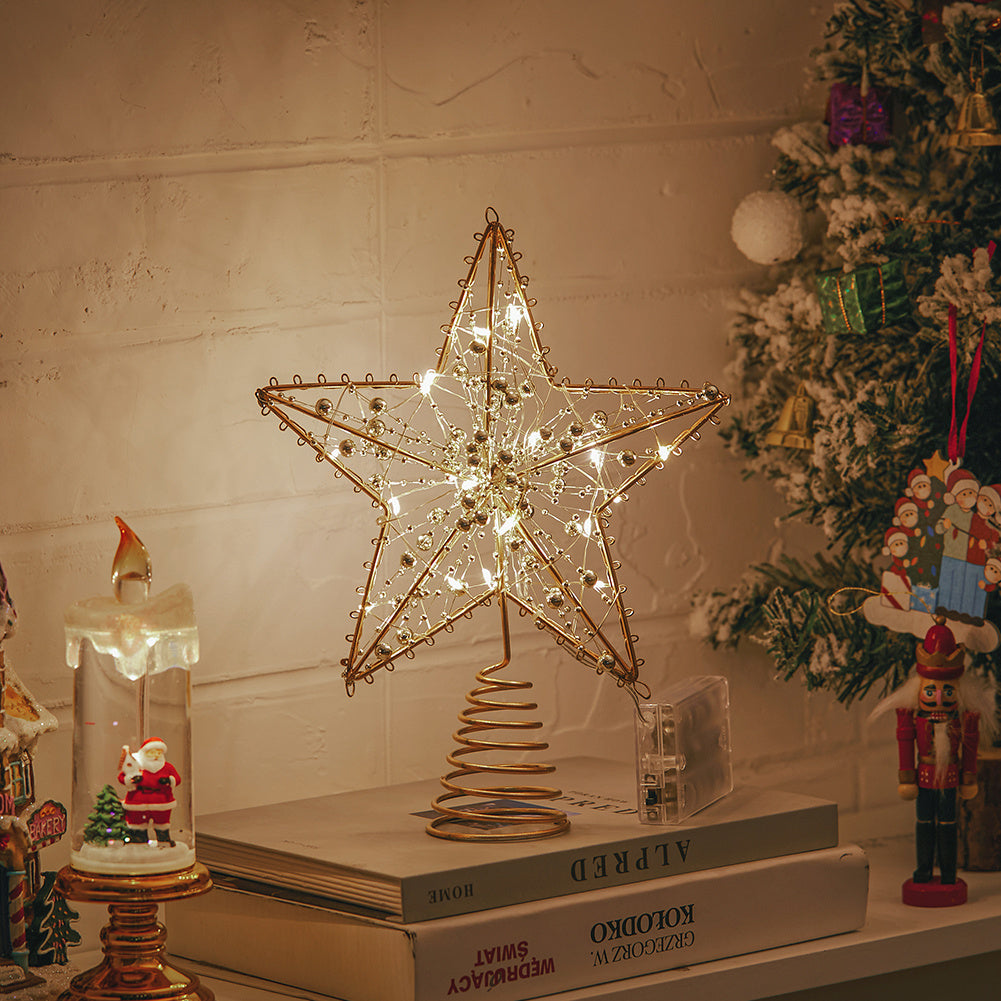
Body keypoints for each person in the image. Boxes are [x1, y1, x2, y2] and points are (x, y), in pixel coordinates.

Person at [870, 617, 996, 905]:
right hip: (924, 776)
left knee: (948, 824)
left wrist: (968, 777)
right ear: (919, 689)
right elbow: (905, 744)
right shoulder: (913, 719)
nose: (939, 697)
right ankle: (924, 871)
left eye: (947, 691)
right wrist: (906, 777)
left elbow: (970, 749)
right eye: (931, 691)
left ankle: (949, 874)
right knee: (924, 823)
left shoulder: (963, 721)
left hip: (950, 777)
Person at [118, 737, 181, 846]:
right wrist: (132, 779)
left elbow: (177, 779)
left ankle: (163, 841)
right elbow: (122, 777)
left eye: (158, 752)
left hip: (161, 802)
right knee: (137, 823)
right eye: (152, 752)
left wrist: (169, 780)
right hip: (138, 801)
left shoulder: (167, 767)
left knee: (162, 823)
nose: (156, 755)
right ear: (144, 752)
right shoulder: (136, 765)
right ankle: (139, 841)